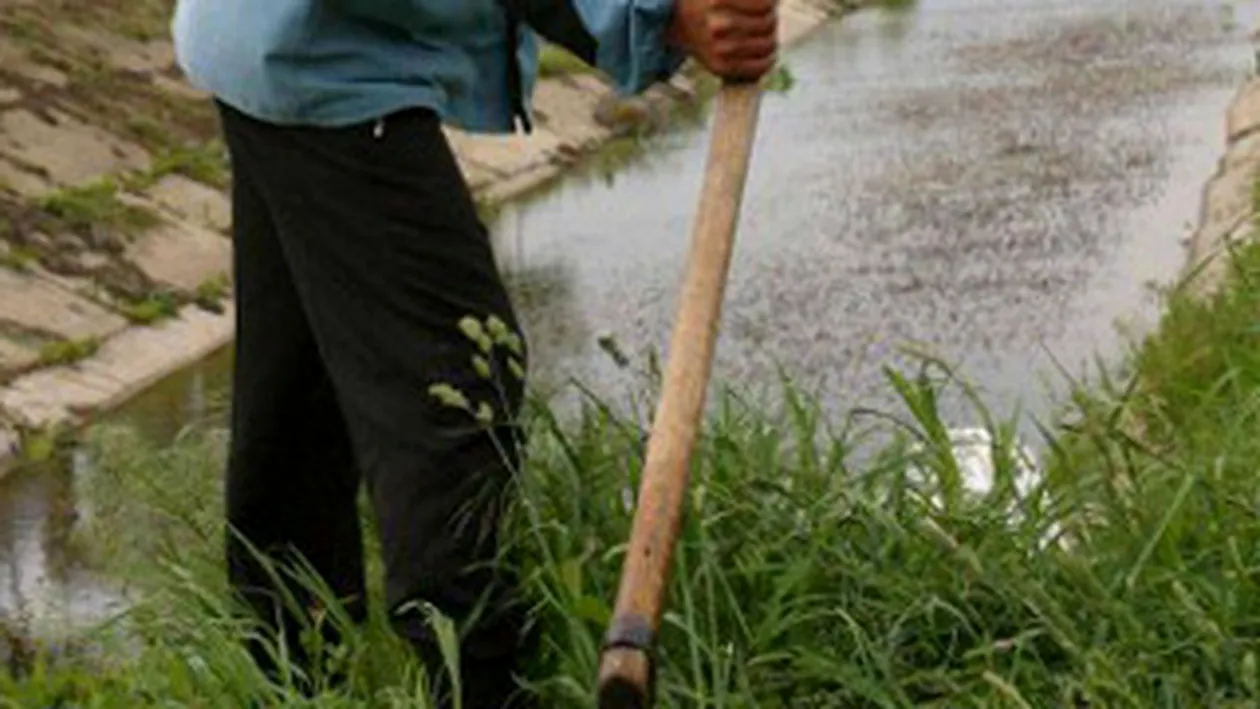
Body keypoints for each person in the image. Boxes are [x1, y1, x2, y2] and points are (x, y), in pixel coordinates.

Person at [170, 0, 778, 706]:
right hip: (324, 53)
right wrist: (660, 15)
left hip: (272, 38)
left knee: (299, 408)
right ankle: (476, 688)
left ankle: (290, 681)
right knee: (455, 393)